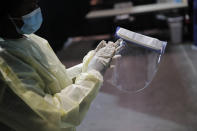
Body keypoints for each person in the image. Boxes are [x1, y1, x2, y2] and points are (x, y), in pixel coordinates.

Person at [0, 0, 121, 131]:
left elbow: (52, 80)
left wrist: (86, 67)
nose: (36, 10)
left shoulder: (27, 39)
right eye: (29, 8)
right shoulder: (5, 65)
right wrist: (92, 76)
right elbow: (51, 119)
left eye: (36, 4)